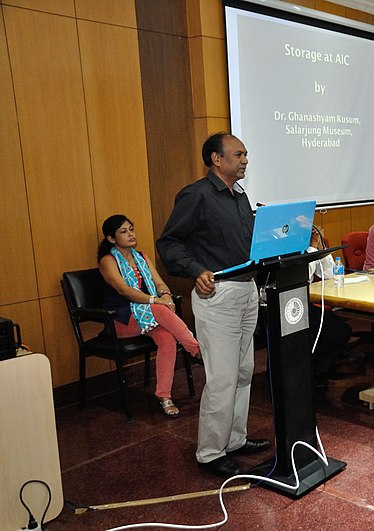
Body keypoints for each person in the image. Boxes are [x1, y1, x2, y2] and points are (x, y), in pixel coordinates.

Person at [157, 132, 269, 478]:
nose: (245, 160)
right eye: (238, 155)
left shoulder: (239, 194)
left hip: (247, 291)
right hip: (216, 295)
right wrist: (195, 270)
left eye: (246, 154)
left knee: (243, 370)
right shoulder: (196, 195)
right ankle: (210, 451)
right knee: (221, 377)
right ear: (216, 159)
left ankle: (234, 439)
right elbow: (169, 243)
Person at [98, 215, 200, 419]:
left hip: (146, 317)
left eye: (131, 229)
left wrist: (165, 295)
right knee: (160, 310)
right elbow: (124, 291)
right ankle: (196, 350)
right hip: (121, 320)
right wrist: (156, 300)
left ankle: (164, 396)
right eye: (123, 231)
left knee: (167, 339)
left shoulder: (142, 257)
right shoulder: (107, 261)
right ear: (111, 238)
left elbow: (160, 283)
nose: (130, 234)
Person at [306, 227, 353, 388]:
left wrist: (321, 249)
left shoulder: (309, 245)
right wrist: (312, 247)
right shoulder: (286, 247)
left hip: (307, 304)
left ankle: (319, 370)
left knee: (341, 330)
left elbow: (330, 275)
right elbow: (302, 276)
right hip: (289, 307)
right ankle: (312, 371)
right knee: (337, 331)